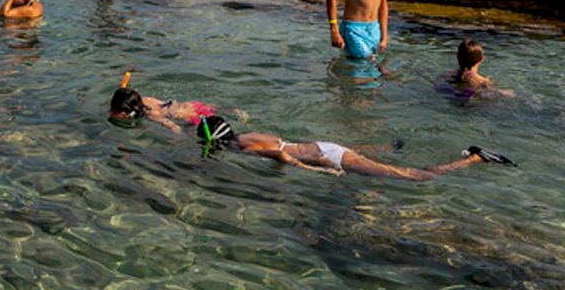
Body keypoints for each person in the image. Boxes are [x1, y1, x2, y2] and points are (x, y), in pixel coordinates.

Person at [195, 115, 514, 180]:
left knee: (415, 177)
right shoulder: (247, 136)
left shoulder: (245, 150)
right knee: (365, 157)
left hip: (327, 156)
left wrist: (316, 171)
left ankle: (474, 158)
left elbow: (281, 154)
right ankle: (387, 147)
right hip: (322, 145)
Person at [108, 86, 216, 133]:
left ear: (126, 112)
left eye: (115, 111)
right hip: (192, 105)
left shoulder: (151, 114)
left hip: (194, 116)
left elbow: (173, 125)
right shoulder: (145, 99)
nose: (111, 112)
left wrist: (176, 136)